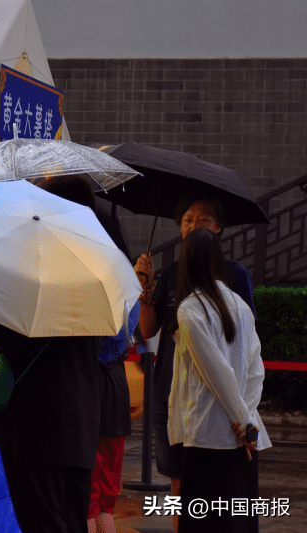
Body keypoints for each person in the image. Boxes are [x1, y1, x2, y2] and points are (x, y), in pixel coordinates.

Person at [133, 193, 257, 532]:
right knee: (180, 488)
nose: (193, 226)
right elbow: (148, 330)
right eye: (187, 220)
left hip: (213, 409)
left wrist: (242, 414)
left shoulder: (233, 278)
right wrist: (146, 290)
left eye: (202, 220)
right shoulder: (172, 275)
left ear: (218, 228)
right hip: (171, 396)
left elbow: (234, 359)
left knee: (214, 494)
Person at [38, 175, 137, 533]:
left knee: (86, 502)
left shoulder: (68, 277)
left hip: (85, 393)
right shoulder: (122, 279)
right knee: (103, 499)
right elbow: (129, 332)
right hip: (114, 388)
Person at [166, 228, 270, 532]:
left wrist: (242, 421)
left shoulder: (190, 309)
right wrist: (246, 421)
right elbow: (256, 370)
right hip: (243, 438)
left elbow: (216, 373)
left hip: (207, 435)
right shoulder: (240, 305)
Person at [0, 310, 102, 533]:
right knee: (73, 521)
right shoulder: (92, 298)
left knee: (43, 522)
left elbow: (6, 334)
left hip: (35, 427)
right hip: (80, 421)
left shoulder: (36, 293)